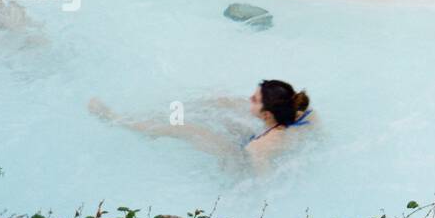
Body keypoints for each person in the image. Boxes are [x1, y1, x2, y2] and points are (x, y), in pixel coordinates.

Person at [88, 79, 314, 167]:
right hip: (267, 137)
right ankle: (173, 107)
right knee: (222, 101)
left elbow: (262, 186)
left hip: (241, 163)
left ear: (266, 114)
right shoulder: (304, 111)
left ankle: (117, 120)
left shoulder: (259, 149)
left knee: (187, 129)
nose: (249, 99)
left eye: (254, 99)